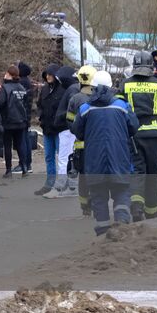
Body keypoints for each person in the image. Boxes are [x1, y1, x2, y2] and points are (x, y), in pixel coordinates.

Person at [71, 77, 140, 236]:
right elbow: (134, 127)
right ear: (111, 87)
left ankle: (103, 235)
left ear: (93, 88)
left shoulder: (85, 108)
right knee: (122, 192)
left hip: (94, 162)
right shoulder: (122, 106)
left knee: (98, 197)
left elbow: (77, 131)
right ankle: (122, 227)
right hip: (119, 158)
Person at [116, 57, 157, 221]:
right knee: (153, 173)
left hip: (133, 136)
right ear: (151, 67)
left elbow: (119, 111)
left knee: (136, 171)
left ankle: (136, 207)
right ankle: (152, 213)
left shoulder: (125, 84)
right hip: (154, 136)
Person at [56, 66, 98, 211]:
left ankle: (85, 206)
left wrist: (79, 132)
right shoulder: (98, 97)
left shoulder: (75, 98)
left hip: (81, 145)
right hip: (97, 145)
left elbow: (70, 121)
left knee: (84, 177)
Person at [35, 65, 69, 195]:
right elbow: (39, 104)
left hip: (59, 129)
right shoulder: (44, 89)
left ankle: (62, 183)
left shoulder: (63, 89)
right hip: (47, 128)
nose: (48, 76)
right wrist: (40, 116)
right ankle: (49, 183)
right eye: (46, 74)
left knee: (62, 158)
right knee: (49, 157)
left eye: (50, 74)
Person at [0, 65, 34, 176]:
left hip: (8, 121)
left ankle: (8, 170)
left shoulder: (5, 88)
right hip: (21, 121)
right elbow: (25, 104)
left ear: (9, 74)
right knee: (20, 144)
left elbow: (1, 103)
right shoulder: (21, 87)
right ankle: (24, 167)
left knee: (7, 145)